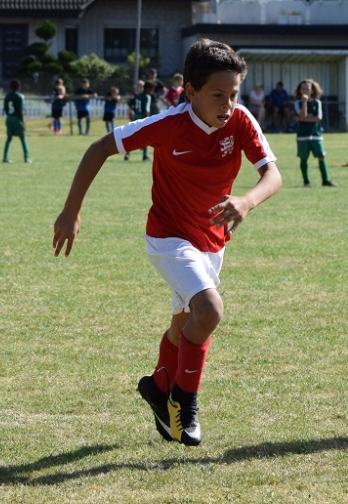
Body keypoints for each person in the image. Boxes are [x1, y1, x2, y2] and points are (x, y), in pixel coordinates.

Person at [52, 38, 281, 446]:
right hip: (169, 237)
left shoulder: (241, 121)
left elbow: (272, 174)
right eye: (217, 95)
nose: (228, 105)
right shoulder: (168, 124)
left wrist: (247, 200)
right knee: (209, 310)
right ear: (190, 91)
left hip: (212, 241)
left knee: (184, 324)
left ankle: (158, 387)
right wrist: (71, 212)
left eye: (233, 94)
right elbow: (100, 148)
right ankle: (183, 403)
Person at [294, 79, 335, 187]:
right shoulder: (297, 103)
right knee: (304, 158)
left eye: (307, 88)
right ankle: (306, 181)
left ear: (312, 91)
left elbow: (318, 118)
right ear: (300, 91)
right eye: (303, 89)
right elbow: (302, 115)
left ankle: (325, 180)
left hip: (316, 135)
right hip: (302, 136)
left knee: (321, 156)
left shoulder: (317, 102)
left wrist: (303, 119)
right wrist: (304, 102)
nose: (305, 91)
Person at [2, 79, 31, 163]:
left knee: (9, 138)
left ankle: (5, 157)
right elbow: (20, 111)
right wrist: (23, 122)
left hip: (9, 118)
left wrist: (9, 115)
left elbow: (5, 108)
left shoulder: (7, 96)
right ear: (19, 87)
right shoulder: (19, 97)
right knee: (22, 137)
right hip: (17, 118)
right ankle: (26, 158)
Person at [125, 80, 153, 161]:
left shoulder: (137, 96)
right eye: (140, 86)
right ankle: (145, 155)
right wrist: (148, 119)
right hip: (142, 116)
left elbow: (129, 103)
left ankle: (128, 153)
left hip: (136, 116)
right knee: (145, 136)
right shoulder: (146, 96)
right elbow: (145, 110)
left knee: (132, 135)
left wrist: (133, 110)